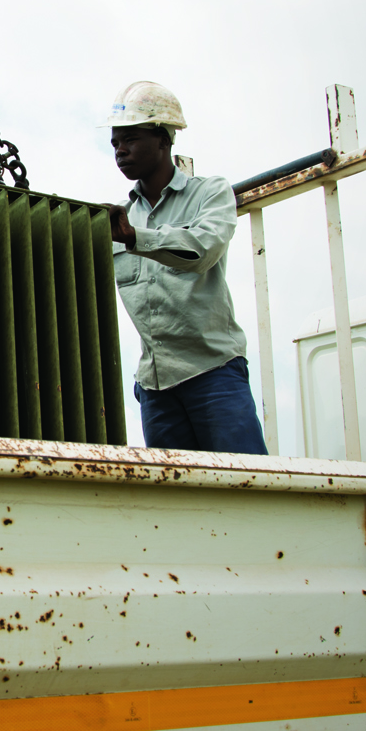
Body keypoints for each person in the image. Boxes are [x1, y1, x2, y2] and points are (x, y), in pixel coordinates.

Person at [106, 80, 269, 454]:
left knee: (248, 489)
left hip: (213, 375)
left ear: (164, 140)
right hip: (155, 388)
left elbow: (202, 250)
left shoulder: (209, 194)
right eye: (115, 143)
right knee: (179, 503)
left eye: (130, 139)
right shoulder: (116, 218)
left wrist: (136, 239)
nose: (120, 151)